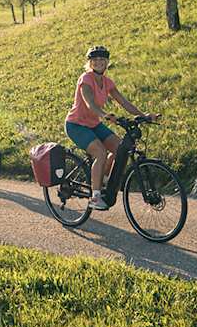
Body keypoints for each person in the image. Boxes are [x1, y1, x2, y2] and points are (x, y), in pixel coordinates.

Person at [64, 45, 157, 210]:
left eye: (102, 59)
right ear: (90, 63)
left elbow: (124, 102)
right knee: (100, 152)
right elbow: (89, 103)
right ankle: (95, 196)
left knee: (120, 148)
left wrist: (144, 116)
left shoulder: (107, 82)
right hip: (76, 125)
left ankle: (102, 178)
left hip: (94, 124)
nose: (99, 62)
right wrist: (105, 115)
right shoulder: (86, 79)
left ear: (107, 62)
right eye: (95, 60)